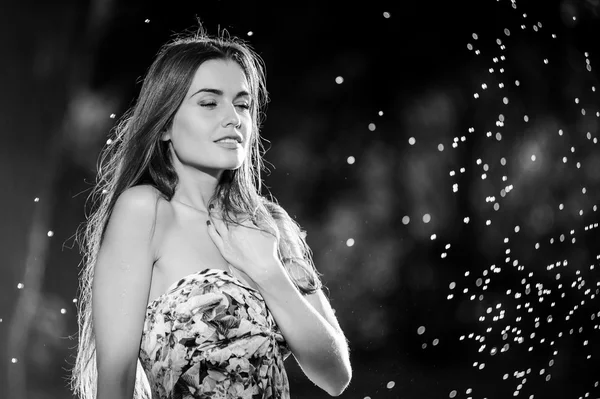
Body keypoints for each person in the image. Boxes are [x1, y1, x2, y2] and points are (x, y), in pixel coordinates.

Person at [69, 28, 352, 399]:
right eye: (209, 103)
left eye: (243, 104)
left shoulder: (270, 226)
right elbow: (115, 380)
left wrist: (269, 273)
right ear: (166, 123)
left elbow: (335, 376)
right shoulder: (146, 212)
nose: (233, 118)